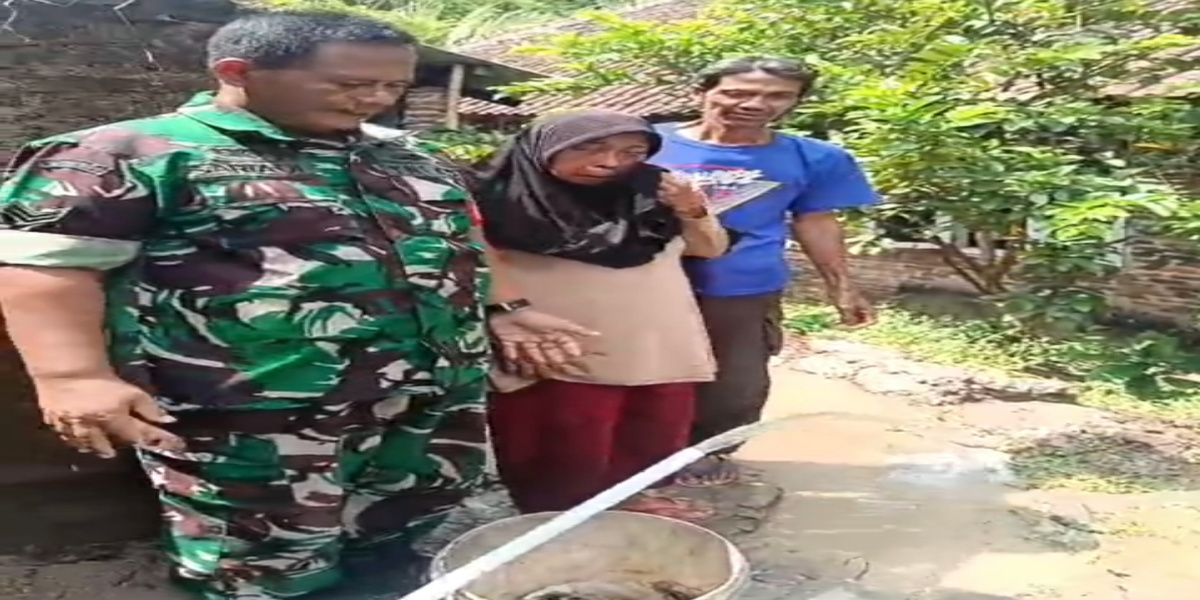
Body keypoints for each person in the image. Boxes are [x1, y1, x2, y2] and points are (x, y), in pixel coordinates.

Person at [0, 12, 592, 600]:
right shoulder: (128, 153)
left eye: (393, 85)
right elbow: (48, 268)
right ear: (238, 72)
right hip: (255, 407)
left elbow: (458, 239)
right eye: (351, 84)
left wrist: (505, 307)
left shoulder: (407, 155)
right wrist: (73, 377)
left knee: (399, 530)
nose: (376, 99)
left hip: (431, 391)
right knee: (258, 555)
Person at [476, 110, 731, 521]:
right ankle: (555, 516)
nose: (610, 162)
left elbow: (709, 249)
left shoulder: (654, 190)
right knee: (561, 437)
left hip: (655, 336)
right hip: (555, 341)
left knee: (649, 428)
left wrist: (692, 209)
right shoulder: (493, 197)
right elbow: (467, 263)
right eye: (588, 148)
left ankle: (626, 500)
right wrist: (499, 313)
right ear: (543, 148)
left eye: (631, 152)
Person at [651, 57, 880, 488]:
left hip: (740, 286)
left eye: (777, 96)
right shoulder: (644, 143)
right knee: (632, 366)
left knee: (734, 378)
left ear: (796, 102)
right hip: (637, 281)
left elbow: (816, 220)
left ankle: (705, 448)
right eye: (737, 93)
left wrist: (842, 287)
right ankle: (634, 450)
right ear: (700, 93)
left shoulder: (816, 158)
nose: (756, 104)